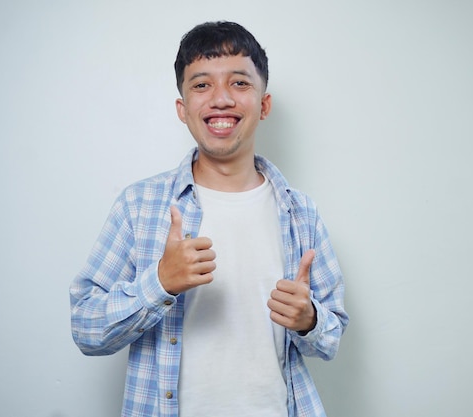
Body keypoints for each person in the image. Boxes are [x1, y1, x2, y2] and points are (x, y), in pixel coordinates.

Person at [70, 21, 349, 417]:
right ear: (182, 109)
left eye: (239, 83)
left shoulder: (301, 213)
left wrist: (309, 320)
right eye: (202, 85)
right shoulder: (140, 205)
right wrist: (159, 283)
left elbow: (331, 336)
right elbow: (86, 328)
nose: (221, 99)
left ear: (264, 105)